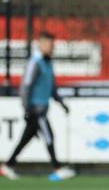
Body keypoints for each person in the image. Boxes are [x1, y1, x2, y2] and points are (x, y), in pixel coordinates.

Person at [0, 31, 75, 181]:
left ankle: (8, 165)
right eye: (49, 44)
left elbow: (51, 87)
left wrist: (61, 103)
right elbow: (26, 86)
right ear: (40, 44)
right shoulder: (35, 62)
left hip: (42, 108)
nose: (51, 47)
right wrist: (27, 108)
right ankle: (57, 168)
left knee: (25, 139)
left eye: (53, 44)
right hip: (36, 109)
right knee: (49, 136)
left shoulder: (48, 63)